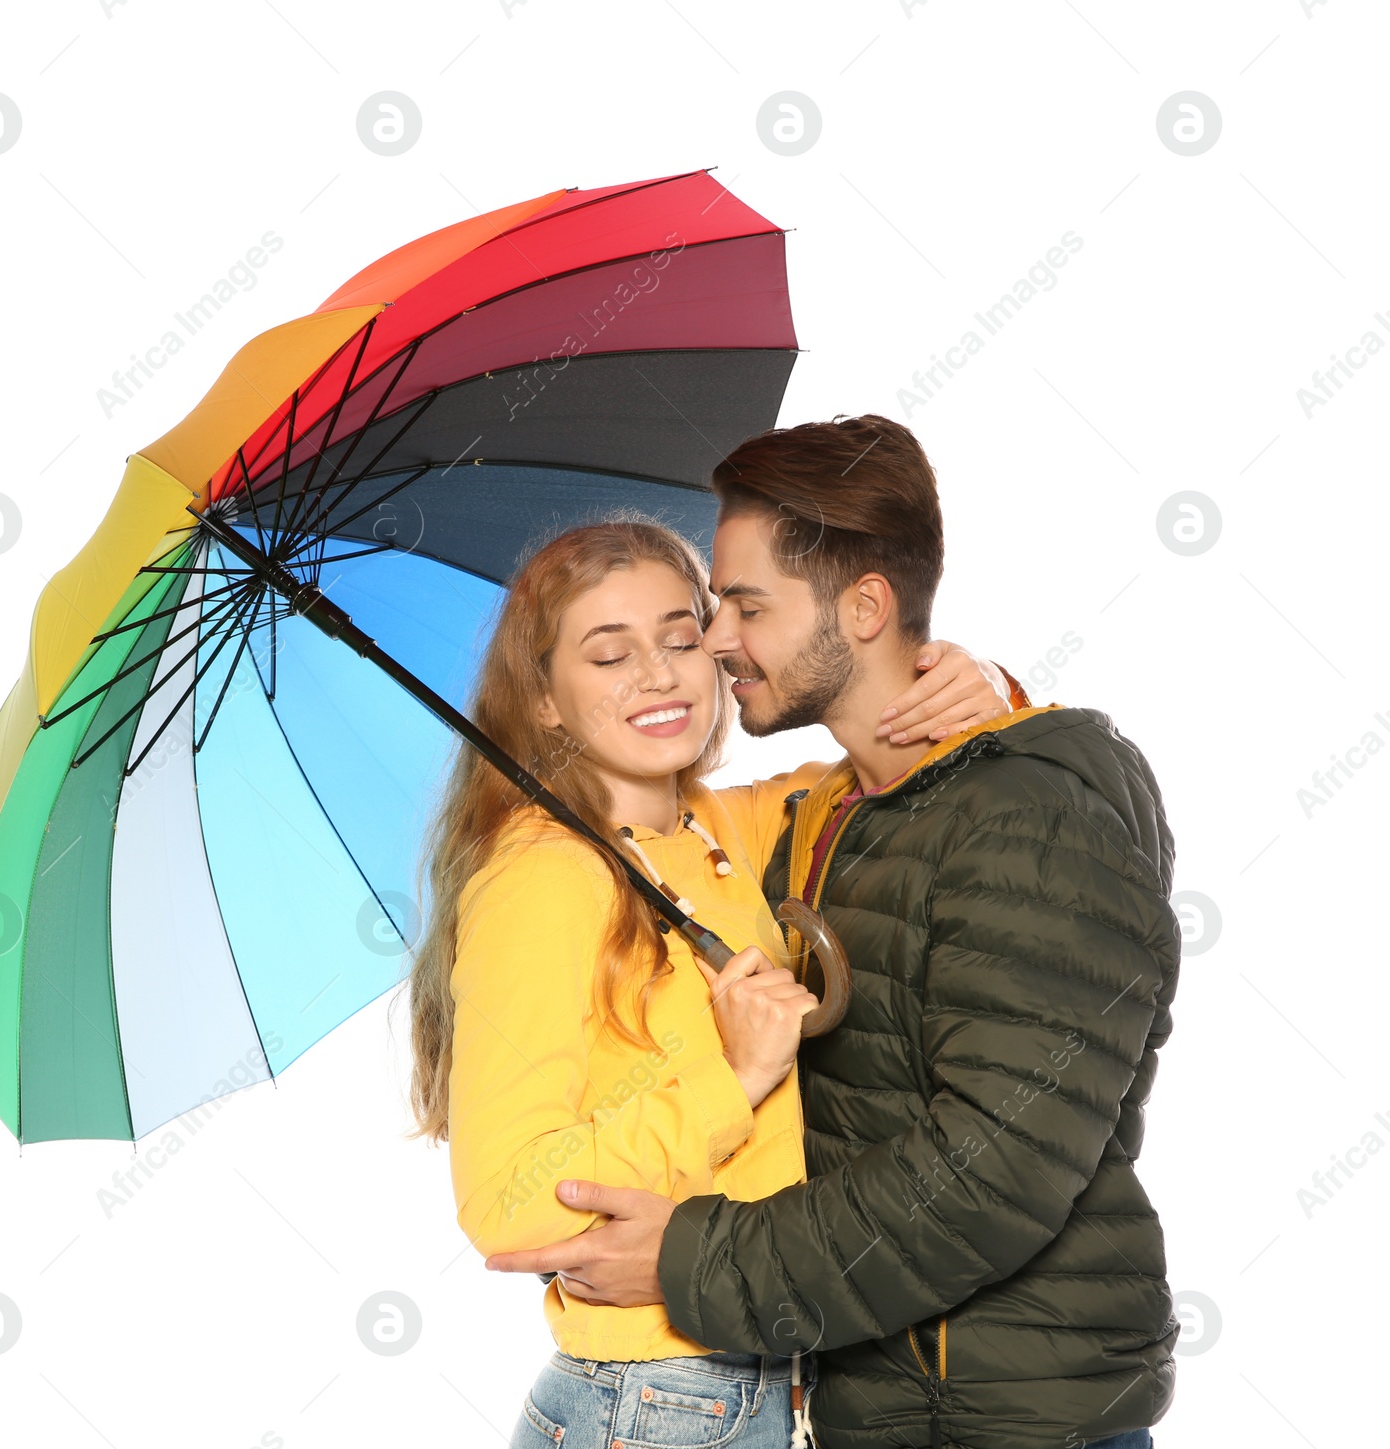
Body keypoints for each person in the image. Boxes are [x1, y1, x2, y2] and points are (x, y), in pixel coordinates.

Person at [483, 417, 1180, 1449]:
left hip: (1010, 1421)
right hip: (869, 1403)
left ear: (862, 608)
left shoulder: (1031, 821)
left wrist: (690, 1262)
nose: (716, 643)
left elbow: (991, 1175)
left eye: (745, 607)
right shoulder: (815, 821)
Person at [404, 516, 1013, 1448]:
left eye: (680, 638)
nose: (657, 673)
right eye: (609, 656)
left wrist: (976, 682)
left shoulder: (718, 832)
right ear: (547, 702)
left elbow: (899, 760)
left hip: (765, 1381)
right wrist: (732, 1078)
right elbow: (507, 1203)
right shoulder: (543, 879)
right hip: (655, 1402)